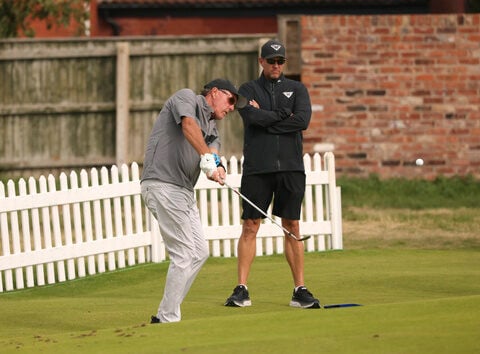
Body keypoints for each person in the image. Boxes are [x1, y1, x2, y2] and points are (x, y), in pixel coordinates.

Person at [141, 78, 247, 323]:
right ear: (214, 92)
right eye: (230, 100)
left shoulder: (212, 128)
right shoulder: (186, 97)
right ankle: (168, 317)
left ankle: (165, 312)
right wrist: (207, 159)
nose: (231, 107)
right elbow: (189, 126)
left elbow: (213, 153)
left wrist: (216, 168)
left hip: (184, 192)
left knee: (199, 251)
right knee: (184, 253)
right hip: (162, 184)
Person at [224, 40, 320, 309]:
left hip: (291, 168)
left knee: (292, 226)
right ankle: (241, 289)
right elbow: (251, 118)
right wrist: (280, 117)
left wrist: (267, 116)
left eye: (280, 61)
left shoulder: (297, 89)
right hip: (258, 168)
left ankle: (299, 289)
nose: (276, 65)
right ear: (261, 61)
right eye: (271, 60)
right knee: (250, 226)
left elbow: (302, 122)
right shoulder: (246, 90)